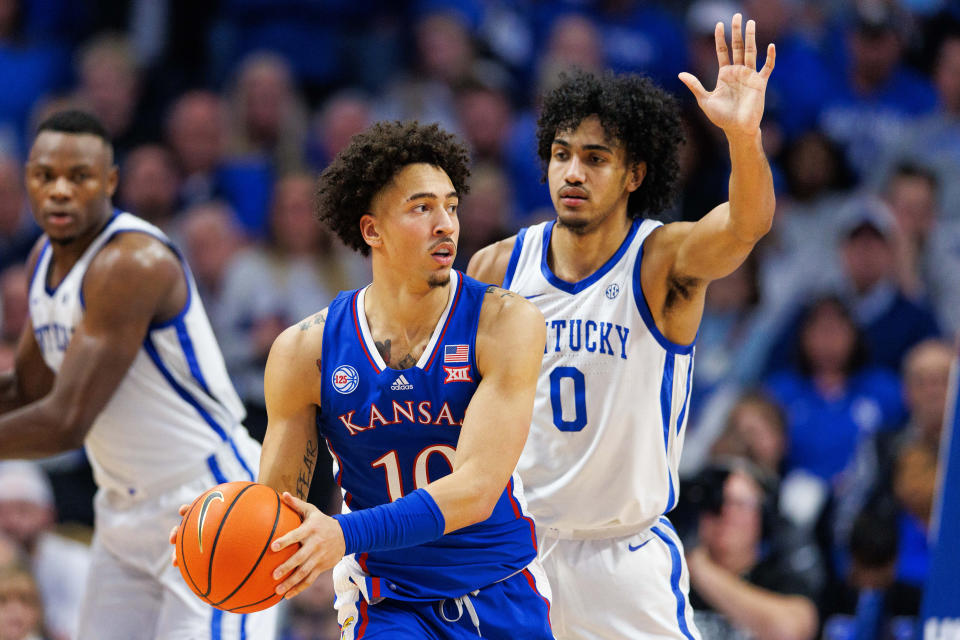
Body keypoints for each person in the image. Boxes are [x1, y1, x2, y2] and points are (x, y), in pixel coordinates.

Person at [468, 13, 776, 639]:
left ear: (634, 175)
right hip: (518, 553)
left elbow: (746, 226)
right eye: (561, 155)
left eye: (595, 158)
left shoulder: (662, 261)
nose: (573, 172)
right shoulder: (498, 266)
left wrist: (743, 139)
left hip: (624, 556)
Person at [254, 120, 552, 638]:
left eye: (452, 206)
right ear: (372, 231)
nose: (447, 225)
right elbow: (280, 509)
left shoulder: (504, 323)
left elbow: (477, 490)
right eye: (422, 208)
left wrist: (342, 533)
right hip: (386, 599)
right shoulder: (306, 351)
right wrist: (229, 522)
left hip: (501, 584)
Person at [0, 110, 275, 639]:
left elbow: (65, 421)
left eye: (77, 176)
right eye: (44, 175)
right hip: (122, 509)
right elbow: (29, 390)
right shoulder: (42, 259)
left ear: (109, 182)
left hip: (210, 501)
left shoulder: (133, 262)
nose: (59, 191)